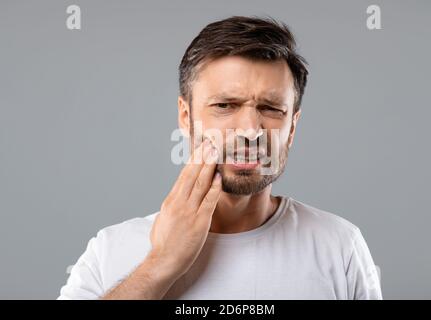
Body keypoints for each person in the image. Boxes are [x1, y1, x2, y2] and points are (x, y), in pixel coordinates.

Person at [58, 16, 382, 300]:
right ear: (186, 117)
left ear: (292, 127)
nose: (250, 130)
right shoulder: (111, 251)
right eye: (225, 105)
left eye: (271, 109)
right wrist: (159, 266)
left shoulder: (340, 247)